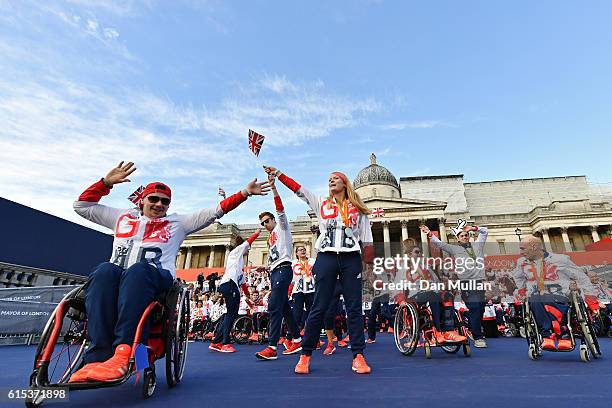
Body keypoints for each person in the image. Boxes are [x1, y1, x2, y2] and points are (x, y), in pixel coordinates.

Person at [69, 161, 269, 382]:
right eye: (153, 199)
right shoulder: (121, 217)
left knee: (138, 271)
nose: (159, 204)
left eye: (164, 201)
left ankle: (125, 352)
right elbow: (81, 206)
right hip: (119, 279)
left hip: (155, 280)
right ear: (142, 200)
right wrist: (105, 183)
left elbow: (216, 211)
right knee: (104, 270)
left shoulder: (178, 223)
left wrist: (244, 193)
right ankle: (97, 356)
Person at [264, 166, 374, 375]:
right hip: (326, 256)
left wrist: (368, 266)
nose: (331, 181)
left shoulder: (358, 208)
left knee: (354, 307)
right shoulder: (320, 202)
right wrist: (279, 174)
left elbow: (367, 240)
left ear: (344, 183)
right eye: (329, 179)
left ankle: (358, 355)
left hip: (351, 257)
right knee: (319, 306)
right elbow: (299, 189)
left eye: (335, 178)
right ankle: (305, 355)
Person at [512, 235, 599, 351]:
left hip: (560, 295)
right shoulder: (521, 262)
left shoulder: (561, 260)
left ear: (533, 247)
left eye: (523, 248)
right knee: (535, 299)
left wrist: (591, 300)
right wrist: (522, 290)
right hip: (536, 297)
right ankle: (548, 334)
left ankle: (561, 333)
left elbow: (582, 278)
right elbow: (518, 277)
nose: (521, 252)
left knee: (547, 299)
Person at [255, 174, 302, 360]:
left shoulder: (282, 227)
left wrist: (274, 188)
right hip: (274, 271)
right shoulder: (269, 238)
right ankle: (297, 339)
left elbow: (280, 208)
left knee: (274, 306)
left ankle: (272, 346)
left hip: (284, 269)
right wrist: (263, 268)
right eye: (263, 222)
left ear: (274, 219)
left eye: (267, 220)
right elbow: (273, 257)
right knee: (283, 308)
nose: (265, 224)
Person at [421, 223, 489, 348]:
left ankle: (472, 328)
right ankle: (478, 337)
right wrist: (430, 233)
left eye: (466, 235)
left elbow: (485, 232)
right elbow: (440, 244)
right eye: (462, 235)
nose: (465, 236)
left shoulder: (477, 245)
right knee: (474, 307)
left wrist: (473, 228)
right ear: (457, 238)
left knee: (480, 308)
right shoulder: (454, 249)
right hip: (466, 282)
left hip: (480, 281)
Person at [394, 241, 466, 344]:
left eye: (420, 252)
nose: (420, 254)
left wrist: (443, 291)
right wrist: (400, 300)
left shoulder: (426, 267)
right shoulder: (404, 268)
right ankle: (438, 331)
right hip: (413, 297)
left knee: (447, 296)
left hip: (430, 293)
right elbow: (397, 285)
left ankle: (449, 331)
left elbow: (436, 282)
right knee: (432, 296)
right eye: (417, 252)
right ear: (409, 255)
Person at [209, 230, 261, 353]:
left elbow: (242, 283)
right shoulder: (236, 252)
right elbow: (247, 243)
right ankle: (225, 343)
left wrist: (248, 296)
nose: (248, 250)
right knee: (231, 315)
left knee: (230, 315)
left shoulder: (240, 262)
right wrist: (257, 233)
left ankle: (216, 342)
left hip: (232, 286)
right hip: (229, 285)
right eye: (248, 248)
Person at [290, 245, 316, 334]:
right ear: (296, 253)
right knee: (297, 315)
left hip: (311, 290)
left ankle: (312, 338)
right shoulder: (292, 263)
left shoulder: (312, 261)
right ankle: (292, 338)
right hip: (298, 290)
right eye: (300, 250)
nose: (302, 251)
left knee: (311, 315)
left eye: (304, 250)